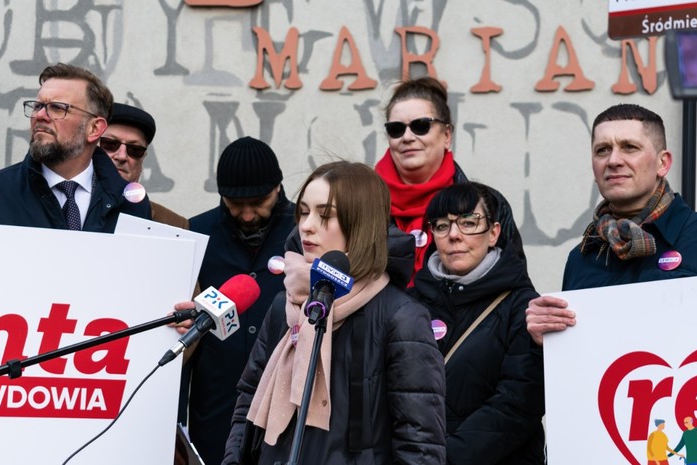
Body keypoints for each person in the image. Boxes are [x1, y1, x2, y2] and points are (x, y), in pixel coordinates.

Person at [214, 160, 446, 465]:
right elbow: (248, 397)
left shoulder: (401, 317)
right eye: (304, 212)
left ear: (360, 224)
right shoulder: (286, 305)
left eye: (325, 215)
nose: (306, 225)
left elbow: (420, 446)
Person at [526, 103, 697, 345]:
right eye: (602, 150)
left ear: (663, 163)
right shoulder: (581, 258)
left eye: (629, 147)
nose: (613, 160)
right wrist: (544, 342)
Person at [177, 136, 296, 465]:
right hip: (215, 413)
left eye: (258, 202)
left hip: (285, 408)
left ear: (277, 188)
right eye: (234, 203)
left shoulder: (304, 233)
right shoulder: (197, 234)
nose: (246, 215)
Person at [409, 182, 544, 465]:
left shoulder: (522, 305)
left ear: (493, 233)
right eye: (442, 226)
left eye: (468, 223)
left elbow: (518, 404)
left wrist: (444, 458)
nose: (454, 235)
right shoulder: (410, 303)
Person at [0, 63, 151, 230]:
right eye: (37, 106)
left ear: (94, 129)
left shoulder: (130, 203)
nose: (40, 115)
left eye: (58, 108)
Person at [375, 76, 468, 283]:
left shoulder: (484, 206)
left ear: (447, 135)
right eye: (396, 129)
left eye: (421, 125)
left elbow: (510, 283)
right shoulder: (359, 202)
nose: (407, 137)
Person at [102, 102, 188, 228]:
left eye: (135, 149)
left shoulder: (175, 225)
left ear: (143, 159)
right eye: (110, 144)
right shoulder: (71, 211)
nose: (122, 156)